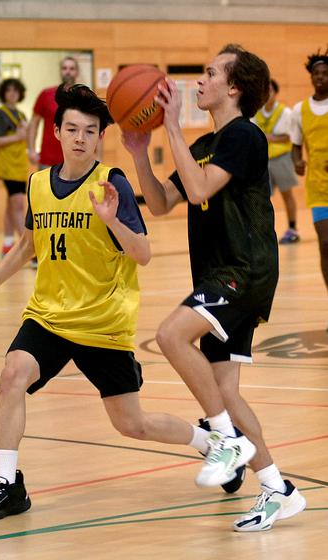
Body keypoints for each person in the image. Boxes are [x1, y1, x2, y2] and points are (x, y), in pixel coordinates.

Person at [0, 83, 224, 523]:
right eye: (71, 129)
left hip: (103, 322)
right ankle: (7, 484)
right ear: (55, 132)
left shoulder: (112, 183)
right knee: (13, 373)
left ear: (99, 138)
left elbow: (144, 254)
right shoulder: (37, 183)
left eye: (89, 131)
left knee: (132, 424)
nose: (79, 138)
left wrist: (113, 222)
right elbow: (27, 246)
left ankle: (213, 444)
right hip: (49, 316)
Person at [123, 44, 306, 532]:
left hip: (242, 270)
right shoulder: (208, 144)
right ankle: (277, 488)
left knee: (169, 335)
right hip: (222, 273)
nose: (199, 82)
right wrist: (141, 154)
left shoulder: (245, 135)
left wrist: (172, 127)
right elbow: (162, 202)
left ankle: (226, 441)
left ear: (234, 87)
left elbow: (201, 189)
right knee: (225, 391)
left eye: (209, 73)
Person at [291, 48, 328, 293]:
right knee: (325, 243)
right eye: (317, 72)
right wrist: (297, 162)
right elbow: (296, 147)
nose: (321, 77)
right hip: (318, 188)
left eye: (326, 73)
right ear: (311, 76)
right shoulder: (299, 111)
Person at [253, 79, 299, 244]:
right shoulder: (255, 112)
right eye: (265, 90)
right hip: (263, 160)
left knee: (287, 195)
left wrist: (270, 138)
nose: (268, 93)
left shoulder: (285, 112)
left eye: (271, 90)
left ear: (276, 92)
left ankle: (292, 229)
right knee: (262, 197)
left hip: (281, 158)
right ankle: (263, 231)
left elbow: (289, 136)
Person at [0, 78, 28, 258]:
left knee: (11, 205)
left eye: (16, 91)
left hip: (19, 165)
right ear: (3, 93)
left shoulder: (21, 116)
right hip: (6, 166)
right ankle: (27, 248)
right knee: (18, 204)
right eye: (9, 90)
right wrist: (17, 137)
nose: (12, 94)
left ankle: (7, 244)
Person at [27, 56, 79, 169]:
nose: (68, 71)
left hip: (77, 160)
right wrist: (31, 149)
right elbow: (34, 124)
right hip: (48, 161)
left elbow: (95, 127)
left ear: (77, 72)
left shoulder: (85, 97)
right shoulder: (46, 94)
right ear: (60, 71)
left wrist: (97, 155)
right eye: (64, 68)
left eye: (72, 68)